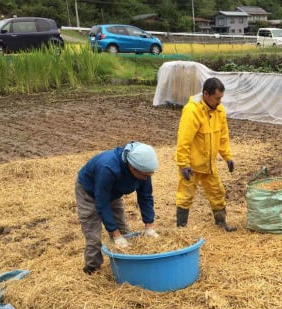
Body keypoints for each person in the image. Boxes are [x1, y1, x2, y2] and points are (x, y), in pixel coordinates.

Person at [75, 141, 159, 275]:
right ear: (132, 167)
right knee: (94, 237)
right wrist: (116, 235)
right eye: (144, 175)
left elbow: (146, 196)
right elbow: (102, 203)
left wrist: (149, 226)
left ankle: (126, 267)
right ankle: (92, 269)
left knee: (124, 231)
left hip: (114, 192)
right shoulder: (108, 167)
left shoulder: (143, 171)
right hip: (89, 193)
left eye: (149, 175)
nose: (146, 178)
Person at [175, 77, 236, 232]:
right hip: (192, 165)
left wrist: (227, 157)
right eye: (217, 98)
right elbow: (184, 140)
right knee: (186, 195)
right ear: (206, 94)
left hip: (209, 164)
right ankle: (181, 229)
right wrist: (183, 164)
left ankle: (221, 223)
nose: (219, 102)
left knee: (217, 192)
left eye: (221, 98)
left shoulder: (219, 111)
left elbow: (223, 136)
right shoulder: (192, 111)